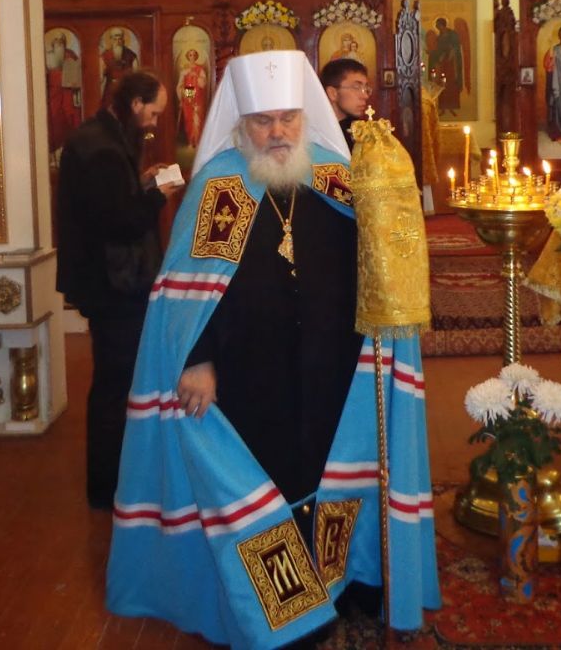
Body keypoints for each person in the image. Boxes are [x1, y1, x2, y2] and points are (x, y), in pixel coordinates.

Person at [107, 50, 439, 648]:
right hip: (247, 368)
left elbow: (383, 261)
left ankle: (342, 580)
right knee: (269, 472)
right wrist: (198, 359)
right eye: (264, 121)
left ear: (305, 117)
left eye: (288, 118)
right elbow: (190, 288)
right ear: (242, 125)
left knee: (330, 466)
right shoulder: (220, 185)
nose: (278, 132)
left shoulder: (336, 176)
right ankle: (280, 608)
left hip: (334, 360)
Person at [56, 70, 181, 509]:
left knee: (115, 381)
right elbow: (121, 222)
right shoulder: (103, 149)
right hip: (115, 285)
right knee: (115, 384)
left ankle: (112, 480)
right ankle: (107, 487)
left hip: (108, 282)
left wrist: (141, 182)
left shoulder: (100, 137)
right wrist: (159, 194)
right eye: (153, 113)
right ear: (135, 104)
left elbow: (109, 203)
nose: (154, 122)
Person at [320, 56, 370, 152]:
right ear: (333, 93)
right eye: (356, 87)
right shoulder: (315, 134)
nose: (365, 96)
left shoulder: (362, 133)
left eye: (366, 88)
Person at [429, 17, 465, 116]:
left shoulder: (453, 35)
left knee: (452, 84)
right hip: (443, 65)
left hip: (452, 65)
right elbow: (438, 51)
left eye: (438, 25)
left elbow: (456, 47)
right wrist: (433, 54)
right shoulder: (439, 37)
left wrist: (451, 53)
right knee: (443, 84)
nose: (437, 27)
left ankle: (452, 107)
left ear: (442, 25)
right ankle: (443, 108)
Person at [177, 48, 209, 147]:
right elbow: (180, 85)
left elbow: (203, 83)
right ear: (188, 56)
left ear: (196, 57)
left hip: (198, 95)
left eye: (194, 55)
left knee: (198, 119)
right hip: (188, 93)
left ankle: (198, 141)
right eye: (190, 55)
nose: (192, 57)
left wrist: (197, 76)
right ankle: (191, 141)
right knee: (189, 118)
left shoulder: (200, 69)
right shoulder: (184, 69)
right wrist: (182, 96)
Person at [100, 29, 139, 96]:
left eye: (119, 39)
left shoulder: (131, 55)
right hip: (110, 90)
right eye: (115, 39)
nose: (117, 42)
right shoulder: (105, 56)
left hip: (126, 89)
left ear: (123, 40)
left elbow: (137, 75)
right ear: (111, 40)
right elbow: (100, 76)